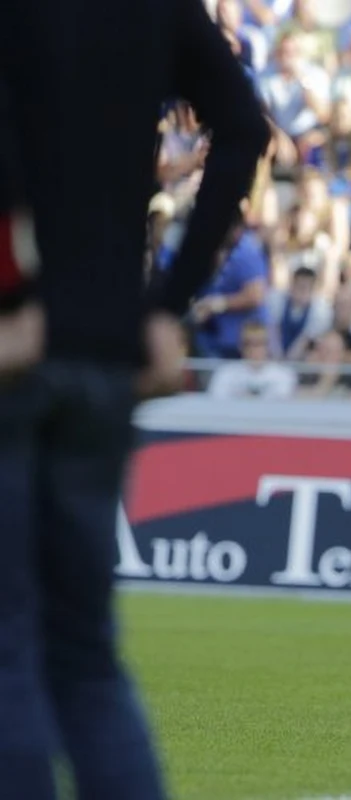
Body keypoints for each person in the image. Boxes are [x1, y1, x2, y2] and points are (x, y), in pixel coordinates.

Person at [0, 0, 271, 797]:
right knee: (84, 656)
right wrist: (164, 304)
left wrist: (20, 295)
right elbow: (246, 128)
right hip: (106, 347)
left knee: (8, 647)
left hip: (15, 340)